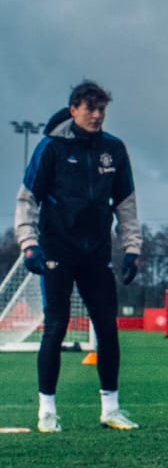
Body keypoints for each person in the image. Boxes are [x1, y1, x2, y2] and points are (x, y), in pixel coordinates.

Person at [14, 81, 142, 432]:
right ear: (74, 110)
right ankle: (47, 412)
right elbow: (27, 199)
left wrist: (132, 248)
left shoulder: (114, 150)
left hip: (96, 253)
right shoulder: (50, 148)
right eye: (90, 108)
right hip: (57, 250)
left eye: (102, 109)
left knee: (107, 329)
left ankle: (111, 409)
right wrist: (29, 243)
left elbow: (126, 204)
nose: (98, 115)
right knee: (55, 327)